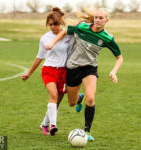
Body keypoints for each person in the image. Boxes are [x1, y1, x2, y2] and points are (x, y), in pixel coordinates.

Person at [46, 8, 123, 141]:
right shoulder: (81, 27)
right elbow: (65, 31)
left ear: (106, 20)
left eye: (101, 18)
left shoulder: (108, 38)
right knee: (71, 103)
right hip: (73, 68)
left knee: (91, 99)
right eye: (96, 17)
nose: (97, 20)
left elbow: (119, 58)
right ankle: (78, 99)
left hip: (89, 68)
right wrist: (53, 43)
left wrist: (114, 71)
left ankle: (87, 131)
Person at [21, 7, 73, 136]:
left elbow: (72, 53)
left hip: (63, 72)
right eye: (50, 24)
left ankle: (44, 124)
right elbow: (39, 57)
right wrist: (29, 73)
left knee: (56, 102)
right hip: (48, 71)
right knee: (53, 96)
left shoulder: (69, 36)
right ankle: (53, 125)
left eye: (55, 24)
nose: (53, 27)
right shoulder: (45, 38)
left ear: (61, 22)